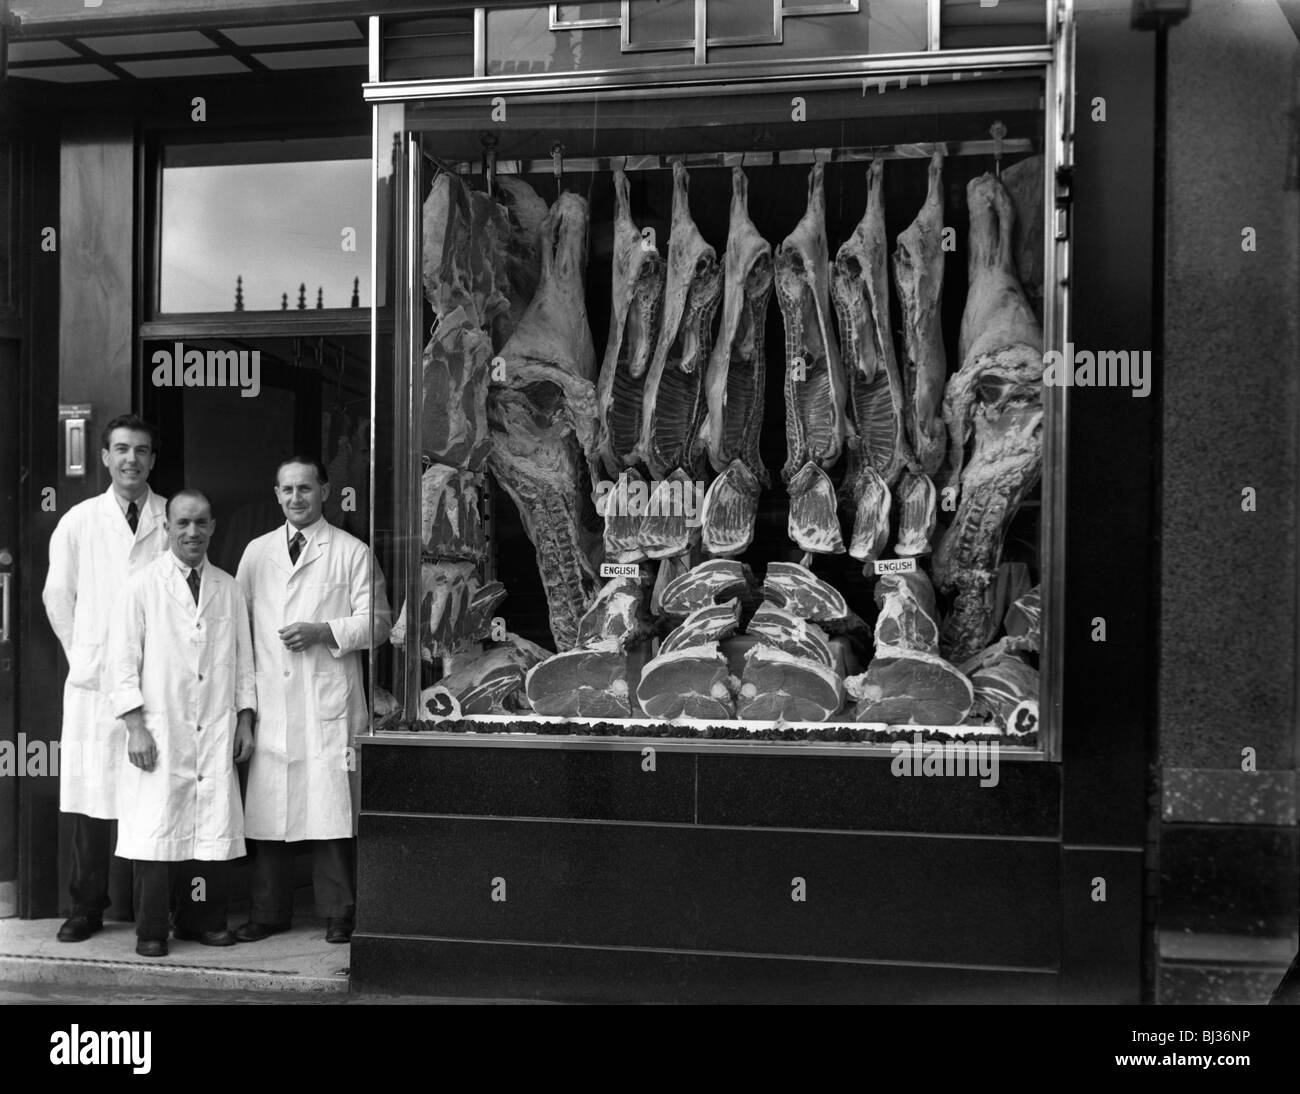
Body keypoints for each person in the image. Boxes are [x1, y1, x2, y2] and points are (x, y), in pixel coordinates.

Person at [234, 456, 391, 944]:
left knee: (330, 810)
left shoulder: (352, 551)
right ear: (276, 494)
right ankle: (268, 911)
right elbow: (238, 633)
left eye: (305, 488)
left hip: (328, 702)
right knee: (268, 812)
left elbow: (382, 623)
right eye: (287, 490)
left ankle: (339, 911)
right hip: (273, 703)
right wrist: (244, 711)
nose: (296, 498)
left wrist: (326, 630)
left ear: (325, 490)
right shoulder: (256, 554)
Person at [105, 490, 255, 958]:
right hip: (160, 728)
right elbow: (122, 664)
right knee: (157, 830)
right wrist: (135, 727)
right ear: (167, 528)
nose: (192, 532)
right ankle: (151, 928)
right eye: (183, 523)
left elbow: (245, 664)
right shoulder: (141, 585)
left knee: (208, 832)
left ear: (213, 528)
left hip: (214, 726)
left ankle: (202, 921)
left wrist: (245, 721)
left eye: (201, 523)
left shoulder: (228, 587)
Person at [42, 414, 167, 943]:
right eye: (121, 449)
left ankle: (154, 917)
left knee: (154, 803)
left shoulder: (171, 517)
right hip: (96, 687)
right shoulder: (78, 520)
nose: (131, 459)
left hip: (156, 680)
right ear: (104, 456)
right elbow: (57, 597)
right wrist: (86, 660)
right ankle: (86, 907)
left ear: (152, 459)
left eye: (141, 450)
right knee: (94, 803)